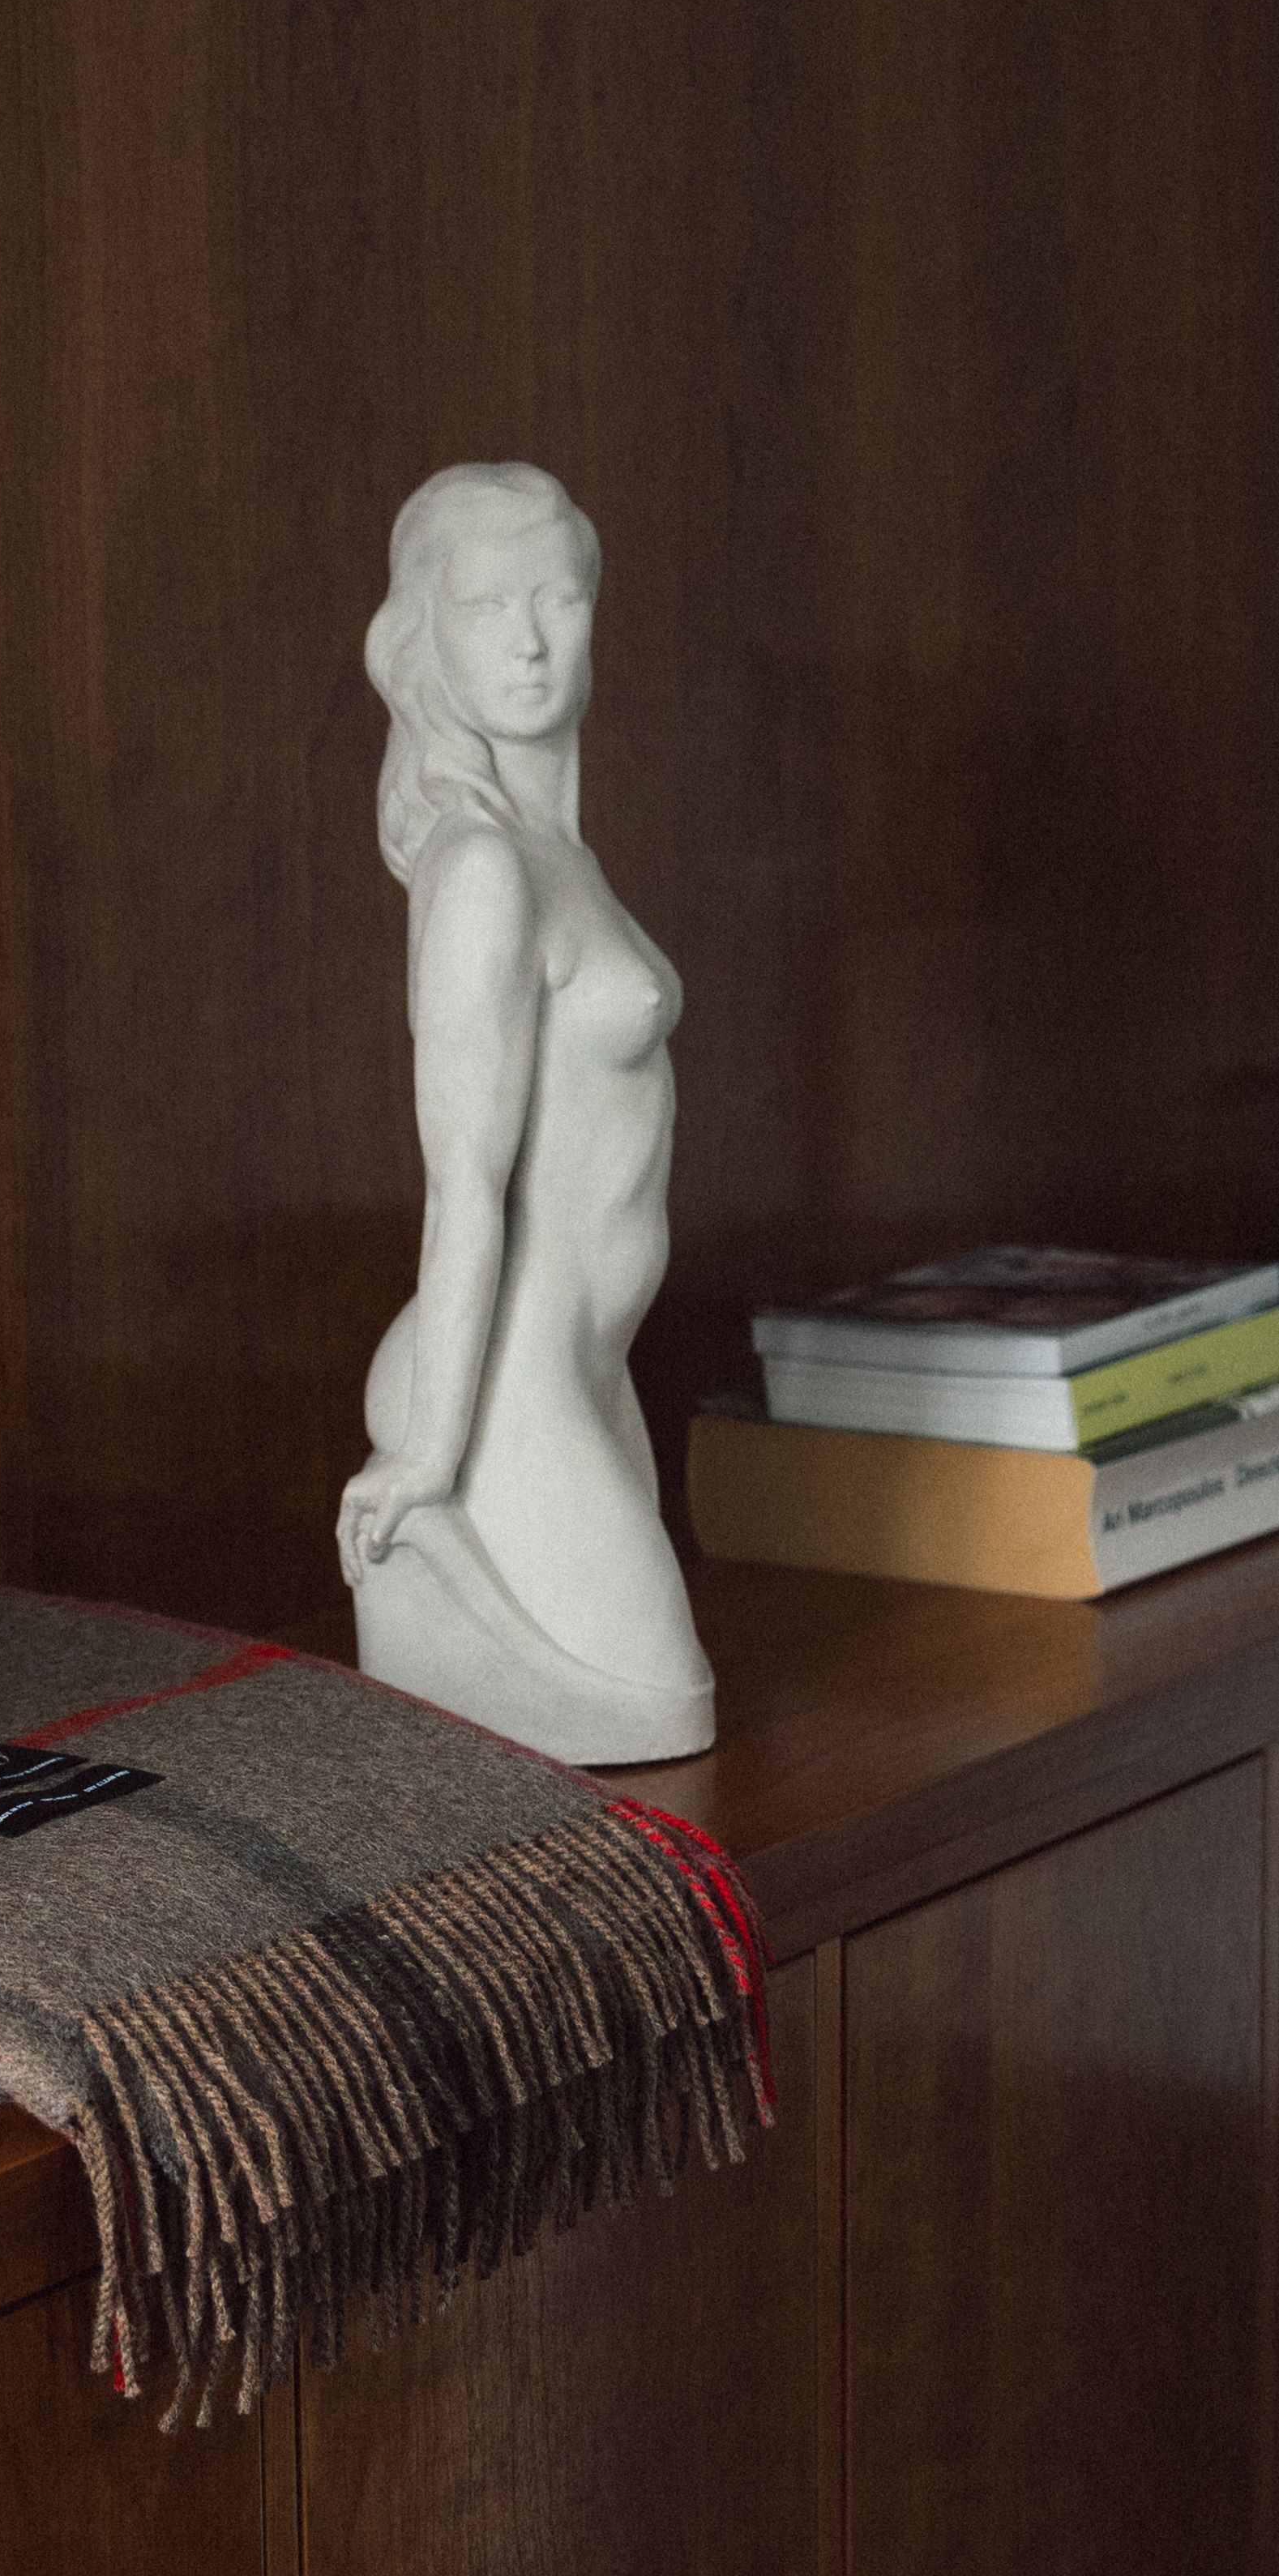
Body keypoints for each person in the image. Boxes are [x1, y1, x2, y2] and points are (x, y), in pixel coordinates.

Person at [333, 461, 716, 1764]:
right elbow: (462, 1184)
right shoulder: (482, 869)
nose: (532, 637)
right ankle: (440, 1530)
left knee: (658, 1713)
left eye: (557, 594)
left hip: (583, 1368)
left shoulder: (562, 855)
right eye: (489, 603)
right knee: (660, 1706)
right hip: (500, 1382)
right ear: (422, 637)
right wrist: (431, 1450)